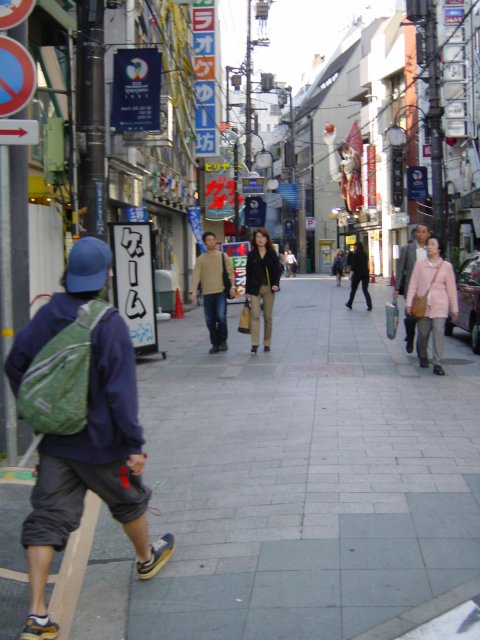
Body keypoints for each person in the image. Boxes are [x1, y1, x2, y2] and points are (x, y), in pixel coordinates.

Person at [4, 236, 175, 640]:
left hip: (57, 444)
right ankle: (145, 558)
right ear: (104, 276)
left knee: (46, 519)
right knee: (129, 500)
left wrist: (42, 411)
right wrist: (134, 444)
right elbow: (120, 391)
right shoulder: (108, 321)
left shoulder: (48, 315)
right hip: (103, 446)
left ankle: (37, 616)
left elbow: (15, 365)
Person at [406, 236, 458, 375]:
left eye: (433, 244)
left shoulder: (447, 267)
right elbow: (413, 285)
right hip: (422, 306)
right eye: (428, 244)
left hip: (440, 305)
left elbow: (451, 289)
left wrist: (454, 309)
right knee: (423, 333)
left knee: (439, 333)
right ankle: (423, 355)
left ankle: (438, 363)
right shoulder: (420, 264)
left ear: (439, 248)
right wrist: (409, 303)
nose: (429, 246)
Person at [190, 231, 234, 354]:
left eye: (213, 239)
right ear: (204, 243)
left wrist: (233, 286)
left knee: (221, 318)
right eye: (209, 240)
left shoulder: (222, 256)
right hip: (207, 293)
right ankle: (215, 343)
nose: (211, 242)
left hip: (220, 292)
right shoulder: (201, 259)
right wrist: (192, 291)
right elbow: (196, 275)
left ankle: (223, 341)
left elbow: (230, 272)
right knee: (210, 321)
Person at [395, 223, 430, 353]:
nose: (420, 234)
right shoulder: (407, 249)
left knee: (424, 319)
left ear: (428, 235)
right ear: (415, 234)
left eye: (423, 232)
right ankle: (410, 337)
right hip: (411, 289)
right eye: (419, 232)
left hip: (427, 291)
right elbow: (400, 270)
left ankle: (421, 347)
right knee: (410, 316)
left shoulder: (431, 250)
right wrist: (397, 287)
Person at [246, 228, 282, 353]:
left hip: (268, 288)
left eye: (262, 237)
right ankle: (255, 343)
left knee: (268, 317)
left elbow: (277, 270)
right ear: (254, 240)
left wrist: (276, 284)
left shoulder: (272, 254)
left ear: (267, 239)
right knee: (255, 315)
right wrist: (247, 291)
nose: (260, 239)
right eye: (257, 237)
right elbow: (248, 273)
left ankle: (267, 342)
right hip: (255, 288)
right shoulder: (251, 255)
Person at [345, 241, 372, 310]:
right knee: (365, 290)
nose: (354, 247)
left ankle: (349, 303)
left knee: (353, 290)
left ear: (357, 246)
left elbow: (353, 266)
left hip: (357, 274)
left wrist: (351, 274)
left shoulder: (355, 254)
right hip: (365, 274)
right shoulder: (365, 254)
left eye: (355, 246)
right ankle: (369, 305)